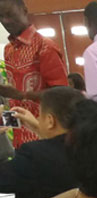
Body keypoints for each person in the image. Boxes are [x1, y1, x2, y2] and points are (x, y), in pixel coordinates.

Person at [0, 86, 83, 198]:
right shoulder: (95, 147)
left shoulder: (34, 155)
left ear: (50, 120)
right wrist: (38, 128)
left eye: (39, 115)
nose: (37, 119)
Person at [0, 0, 68, 148]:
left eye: (10, 15)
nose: (5, 21)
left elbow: (62, 95)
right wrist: (5, 122)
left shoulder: (44, 47)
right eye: (1, 16)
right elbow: (15, 103)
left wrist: (22, 95)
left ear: (24, 11)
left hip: (44, 138)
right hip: (19, 141)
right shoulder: (8, 50)